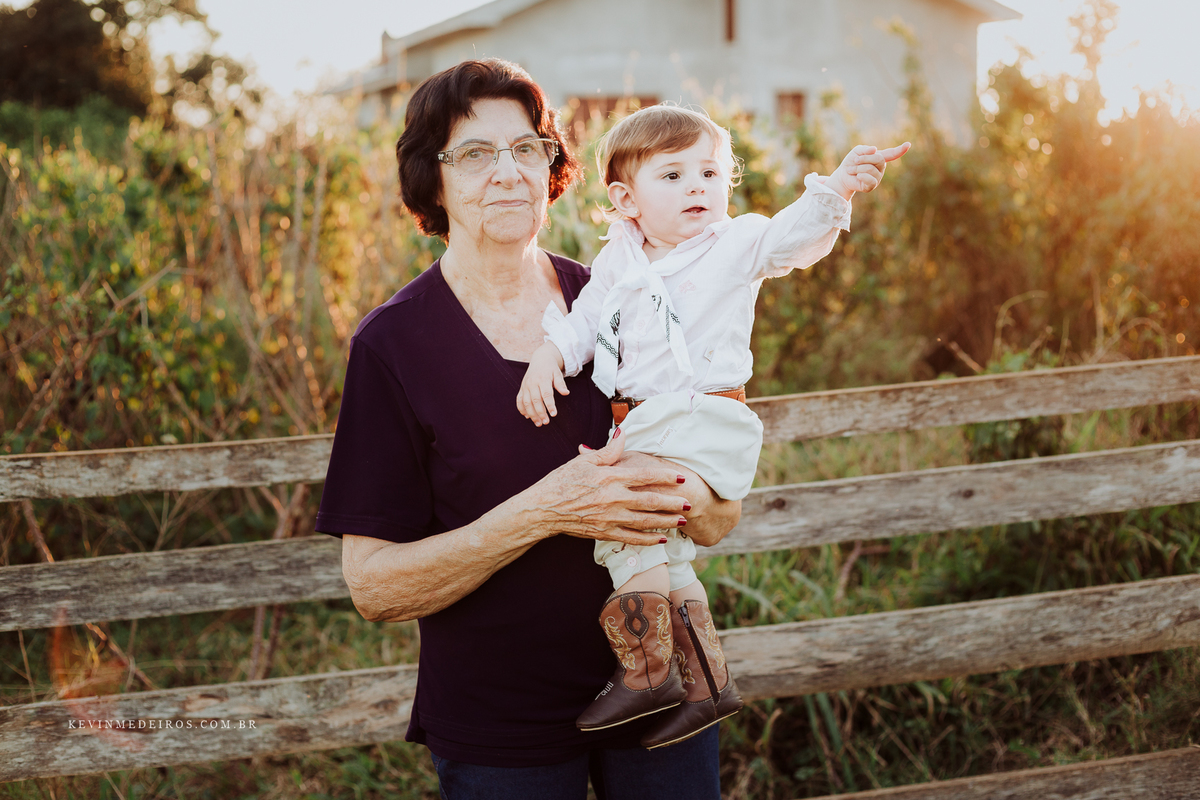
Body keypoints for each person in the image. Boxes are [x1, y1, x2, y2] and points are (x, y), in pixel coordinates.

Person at [314, 59, 744, 800]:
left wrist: (684, 496)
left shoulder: (622, 293)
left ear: (553, 166)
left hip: (662, 697)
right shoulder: (393, 345)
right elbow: (374, 587)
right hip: (500, 725)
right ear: (433, 180)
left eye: (527, 148)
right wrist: (549, 509)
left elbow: (718, 513)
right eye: (476, 154)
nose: (507, 172)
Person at [516, 105, 909, 748]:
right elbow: (585, 323)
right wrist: (549, 358)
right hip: (650, 420)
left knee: (624, 518)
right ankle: (704, 682)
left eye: (709, 172)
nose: (697, 186)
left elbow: (792, 237)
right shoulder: (618, 263)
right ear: (625, 199)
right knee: (665, 549)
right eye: (671, 176)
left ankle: (645, 671)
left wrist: (835, 188)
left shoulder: (734, 244)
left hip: (704, 413)